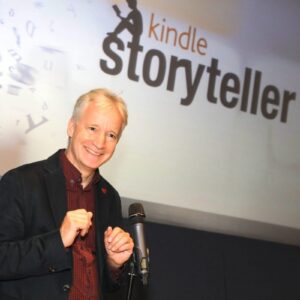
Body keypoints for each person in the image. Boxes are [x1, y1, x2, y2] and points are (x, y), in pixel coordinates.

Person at [0, 88, 134, 300]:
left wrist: (114, 264)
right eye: (92, 128)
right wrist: (58, 240)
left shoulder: (109, 197)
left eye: (111, 135)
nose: (100, 143)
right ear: (71, 127)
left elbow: (110, 288)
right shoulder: (22, 182)